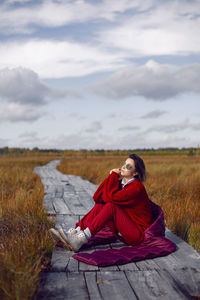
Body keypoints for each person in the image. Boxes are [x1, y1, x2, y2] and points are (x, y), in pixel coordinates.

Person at [49, 154, 153, 252]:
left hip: (136, 235)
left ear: (135, 173)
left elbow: (109, 198)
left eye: (128, 166)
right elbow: (98, 197)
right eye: (123, 164)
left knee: (111, 207)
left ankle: (82, 238)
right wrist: (111, 177)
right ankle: (75, 232)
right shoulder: (120, 184)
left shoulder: (137, 187)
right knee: (100, 206)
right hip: (124, 228)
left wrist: (113, 176)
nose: (124, 167)